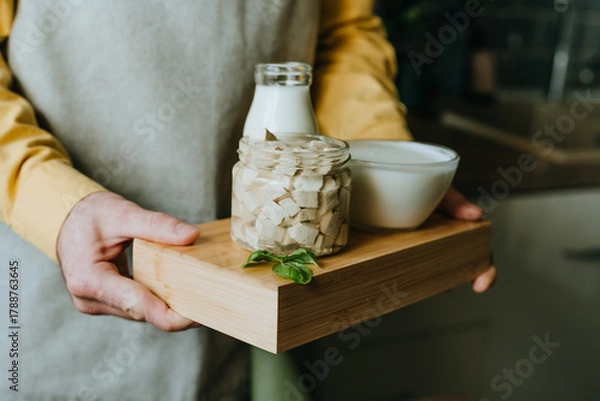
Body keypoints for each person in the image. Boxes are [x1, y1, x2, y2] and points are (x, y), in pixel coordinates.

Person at [0, 1, 496, 400]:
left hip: (264, 289)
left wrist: (383, 167)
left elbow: (343, 37)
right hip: (61, 274)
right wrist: (54, 201)